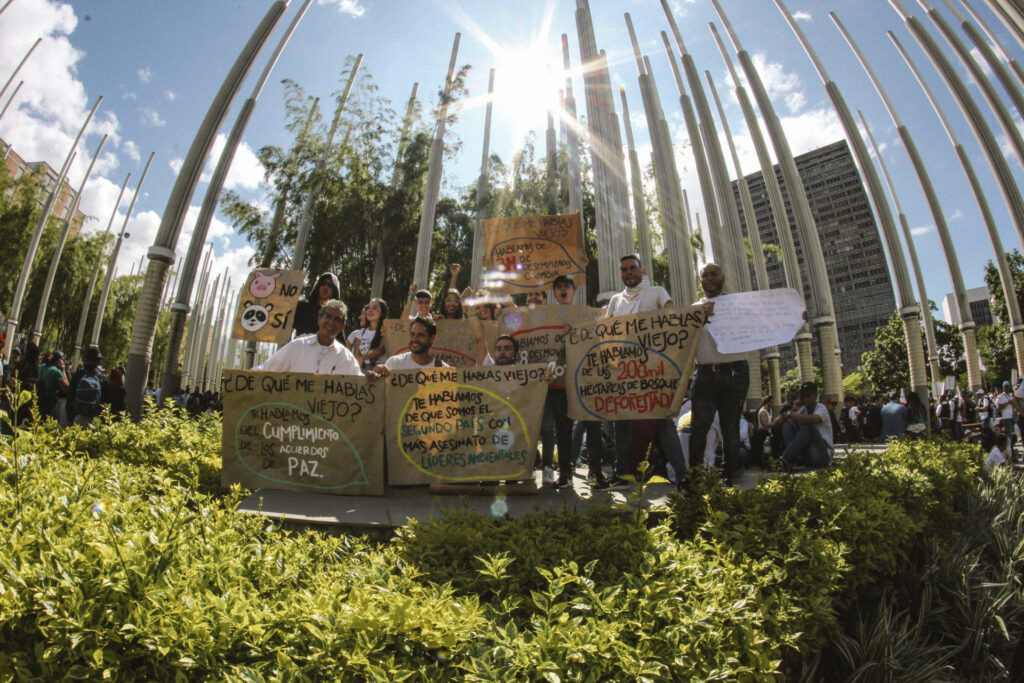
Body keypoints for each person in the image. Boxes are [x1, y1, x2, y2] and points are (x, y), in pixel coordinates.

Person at [604, 255, 688, 490]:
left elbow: (671, 317)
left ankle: (682, 475)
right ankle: (622, 474)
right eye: (624, 269)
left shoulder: (658, 292)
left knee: (663, 421)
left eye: (632, 268)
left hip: (653, 371)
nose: (628, 272)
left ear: (642, 269)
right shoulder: (615, 301)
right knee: (621, 422)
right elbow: (607, 332)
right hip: (624, 372)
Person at [687, 262, 749, 488]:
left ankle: (731, 475)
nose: (710, 278)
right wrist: (700, 318)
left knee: (730, 427)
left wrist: (795, 318)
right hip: (705, 373)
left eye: (714, 274)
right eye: (705, 275)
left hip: (735, 372)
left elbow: (763, 323)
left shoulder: (739, 305)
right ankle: (694, 479)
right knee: (698, 428)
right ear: (700, 280)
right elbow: (683, 342)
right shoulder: (694, 309)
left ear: (723, 276)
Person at [257, 300, 361, 375]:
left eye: (337, 319)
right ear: (319, 319)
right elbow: (266, 369)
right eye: (328, 316)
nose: (331, 322)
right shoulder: (296, 347)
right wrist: (242, 374)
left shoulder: (347, 358)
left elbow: (360, 384)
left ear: (342, 326)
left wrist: (374, 376)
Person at [775, 381, 833, 469]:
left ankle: (785, 458)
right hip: (808, 454)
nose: (806, 399)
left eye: (808, 395)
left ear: (815, 395)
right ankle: (793, 458)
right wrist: (793, 410)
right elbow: (775, 424)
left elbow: (813, 419)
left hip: (822, 454)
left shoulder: (821, 408)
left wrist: (792, 414)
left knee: (808, 425)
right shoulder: (802, 410)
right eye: (803, 396)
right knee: (787, 424)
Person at [368, 317, 449, 376]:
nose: (414, 339)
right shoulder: (394, 363)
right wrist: (375, 377)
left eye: (420, 335)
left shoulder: (443, 370)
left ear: (432, 338)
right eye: (412, 334)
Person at [68, 345, 112, 426]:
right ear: (98, 361)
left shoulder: (78, 375)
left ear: (86, 359)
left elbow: (70, 396)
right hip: (95, 418)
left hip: (78, 415)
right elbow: (107, 400)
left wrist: (70, 418)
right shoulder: (102, 378)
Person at [293, 273, 343, 339]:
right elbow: (282, 322)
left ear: (334, 291)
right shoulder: (302, 308)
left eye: (330, 285)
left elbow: (339, 343)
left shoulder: (335, 316)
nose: (325, 287)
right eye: (323, 283)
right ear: (318, 286)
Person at [349, 298, 388, 374]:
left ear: (382, 312)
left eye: (374, 308)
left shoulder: (386, 330)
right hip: (363, 370)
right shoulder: (360, 333)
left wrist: (363, 357)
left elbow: (381, 349)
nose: (370, 310)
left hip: (381, 370)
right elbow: (356, 354)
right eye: (368, 308)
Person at [37, 350, 69, 423]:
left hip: (39, 400)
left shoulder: (42, 366)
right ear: (59, 361)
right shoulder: (56, 372)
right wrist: (63, 371)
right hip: (49, 404)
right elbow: (67, 389)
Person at [996, 381, 1016, 447]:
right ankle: (1009, 448)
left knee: (1013, 434)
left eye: (1008, 386)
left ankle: (1011, 447)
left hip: (1012, 417)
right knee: (1009, 434)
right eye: (1005, 387)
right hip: (1006, 417)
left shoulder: (1011, 395)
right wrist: (1008, 403)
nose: (1007, 388)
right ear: (1003, 388)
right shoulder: (1001, 396)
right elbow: (999, 408)